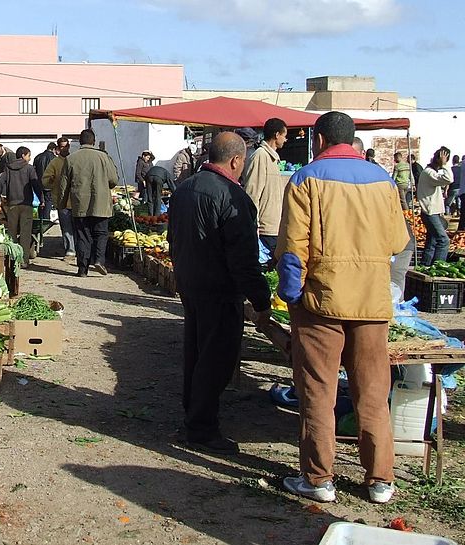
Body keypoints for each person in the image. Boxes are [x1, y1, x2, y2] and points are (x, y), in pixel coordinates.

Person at [276, 111, 409, 504]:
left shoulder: (305, 179)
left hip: (322, 303)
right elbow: (398, 243)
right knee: (372, 392)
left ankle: (319, 479)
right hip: (371, 303)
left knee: (319, 391)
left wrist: (291, 296)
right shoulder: (383, 181)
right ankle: (380, 479)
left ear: (317, 139)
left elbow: (292, 249)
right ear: (352, 141)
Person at [167, 132, 271, 454]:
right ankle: (202, 429)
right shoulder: (233, 197)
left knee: (196, 352)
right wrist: (261, 299)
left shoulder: (184, 189)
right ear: (236, 160)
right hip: (219, 289)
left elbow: (172, 238)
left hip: (190, 282)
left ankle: (194, 415)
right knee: (216, 358)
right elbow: (243, 259)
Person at [60, 129, 118, 277]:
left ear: (80, 141)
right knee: (101, 233)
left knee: (82, 236)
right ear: (94, 141)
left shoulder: (71, 159)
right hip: (101, 204)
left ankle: (82, 269)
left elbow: (63, 185)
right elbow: (113, 180)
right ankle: (99, 260)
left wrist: (62, 204)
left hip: (79, 205)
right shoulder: (104, 157)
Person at [243, 118, 288, 263]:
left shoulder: (273, 158)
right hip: (264, 229)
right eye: (284, 135)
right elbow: (252, 193)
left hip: (275, 227)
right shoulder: (260, 156)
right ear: (277, 135)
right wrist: (253, 226)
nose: (286, 139)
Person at [0, 146, 42, 267]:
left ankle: (12, 259)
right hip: (26, 204)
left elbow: (1, 182)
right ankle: (23, 260)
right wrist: (41, 198)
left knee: (12, 232)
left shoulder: (8, 168)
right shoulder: (29, 168)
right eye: (29, 155)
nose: (29, 158)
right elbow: (35, 184)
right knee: (25, 233)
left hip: (12, 204)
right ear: (23, 155)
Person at [417, 147, 453, 266]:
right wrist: (444, 165)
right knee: (444, 241)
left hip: (432, 212)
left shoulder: (431, 172)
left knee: (432, 242)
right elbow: (449, 179)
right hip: (430, 212)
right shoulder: (429, 173)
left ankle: (425, 266)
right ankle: (438, 266)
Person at [42, 137, 76, 257]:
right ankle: (70, 249)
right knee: (66, 227)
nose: (64, 148)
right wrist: (51, 180)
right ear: (58, 148)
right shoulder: (55, 163)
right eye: (62, 146)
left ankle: (77, 248)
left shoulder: (75, 160)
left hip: (76, 200)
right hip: (61, 200)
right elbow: (45, 180)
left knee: (76, 227)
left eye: (66, 146)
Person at [33, 142, 57, 220]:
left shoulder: (38, 157)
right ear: (54, 149)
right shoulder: (54, 158)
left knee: (40, 201)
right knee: (48, 201)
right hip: (49, 184)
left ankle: (40, 218)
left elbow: (34, 170)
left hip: (38, 183)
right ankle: (46, 219)